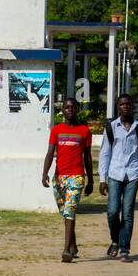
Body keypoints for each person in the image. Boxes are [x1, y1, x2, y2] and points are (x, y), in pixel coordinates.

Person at [98, 93, 138, 263]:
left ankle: (124, 249)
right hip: (115, 174)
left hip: (132, 175)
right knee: (113, 211)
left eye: (128, 104)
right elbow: (105, 153)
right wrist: (102, 178)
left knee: (127, 213)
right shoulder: (111, 127)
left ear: (132, 107)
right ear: (118, 107)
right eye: (122, 104)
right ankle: (115, 240)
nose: (125, 107)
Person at [42, 98, 94, 263]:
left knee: (70, 211)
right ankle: (73, 245)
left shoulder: (84, 131)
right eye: (67, 107)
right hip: (59, 178)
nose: (70, 110)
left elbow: (88, 157)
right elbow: (50, 153)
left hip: (77, 177)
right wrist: (44, 174)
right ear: (62, 110)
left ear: (77, 110)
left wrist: (91, 180)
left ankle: (66, 251)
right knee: (65, 213)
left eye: (73, 107)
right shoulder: (56, 130)